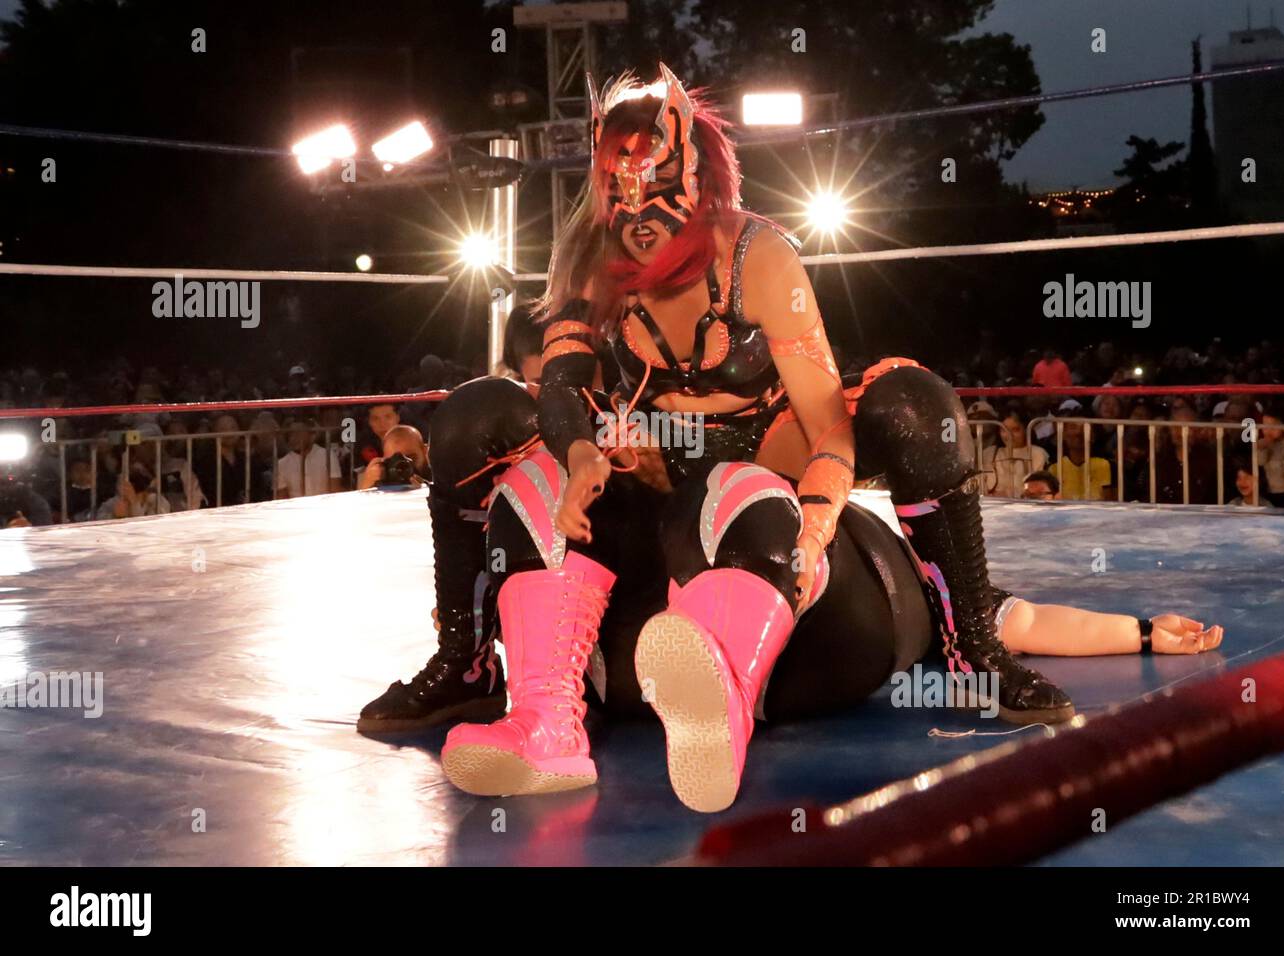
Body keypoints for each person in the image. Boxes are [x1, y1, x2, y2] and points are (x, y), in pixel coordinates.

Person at [360, 65, 1207, 812]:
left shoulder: (757, 258)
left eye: (657, 208)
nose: (640, 233)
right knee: (476, 414)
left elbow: (837, 427)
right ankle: (480, 675)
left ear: (698, 192)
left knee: (909, 407)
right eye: (623, 208)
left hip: (764, 465)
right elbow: (561, 383)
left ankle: (961, 659)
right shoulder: (592, 252)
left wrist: (819, 508)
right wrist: (581, 454)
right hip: (643, 477)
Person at [988, 409, 1048, 498]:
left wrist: (1007, 495)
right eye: (1004, 430)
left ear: (1026, 430)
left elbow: (1037, 490)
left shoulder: (1037, 453)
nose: (1009, 435)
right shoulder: (989, 453)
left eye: (1015, 430)